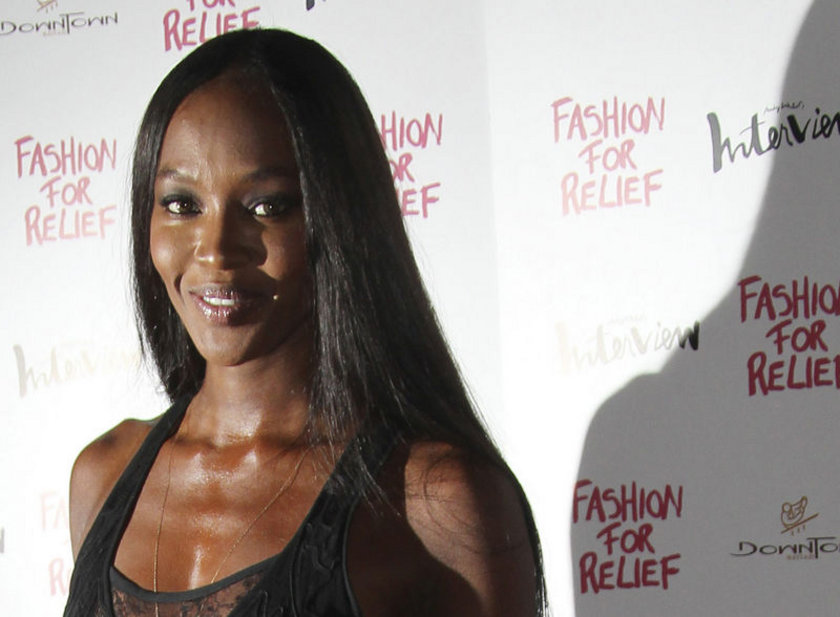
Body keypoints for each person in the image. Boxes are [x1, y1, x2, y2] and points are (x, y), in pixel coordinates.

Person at [63, 28, 545, 617]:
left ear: (339, 216)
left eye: (267, 206)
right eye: (182, 205)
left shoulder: (432, 504)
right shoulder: (102, 474)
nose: (215, 251)